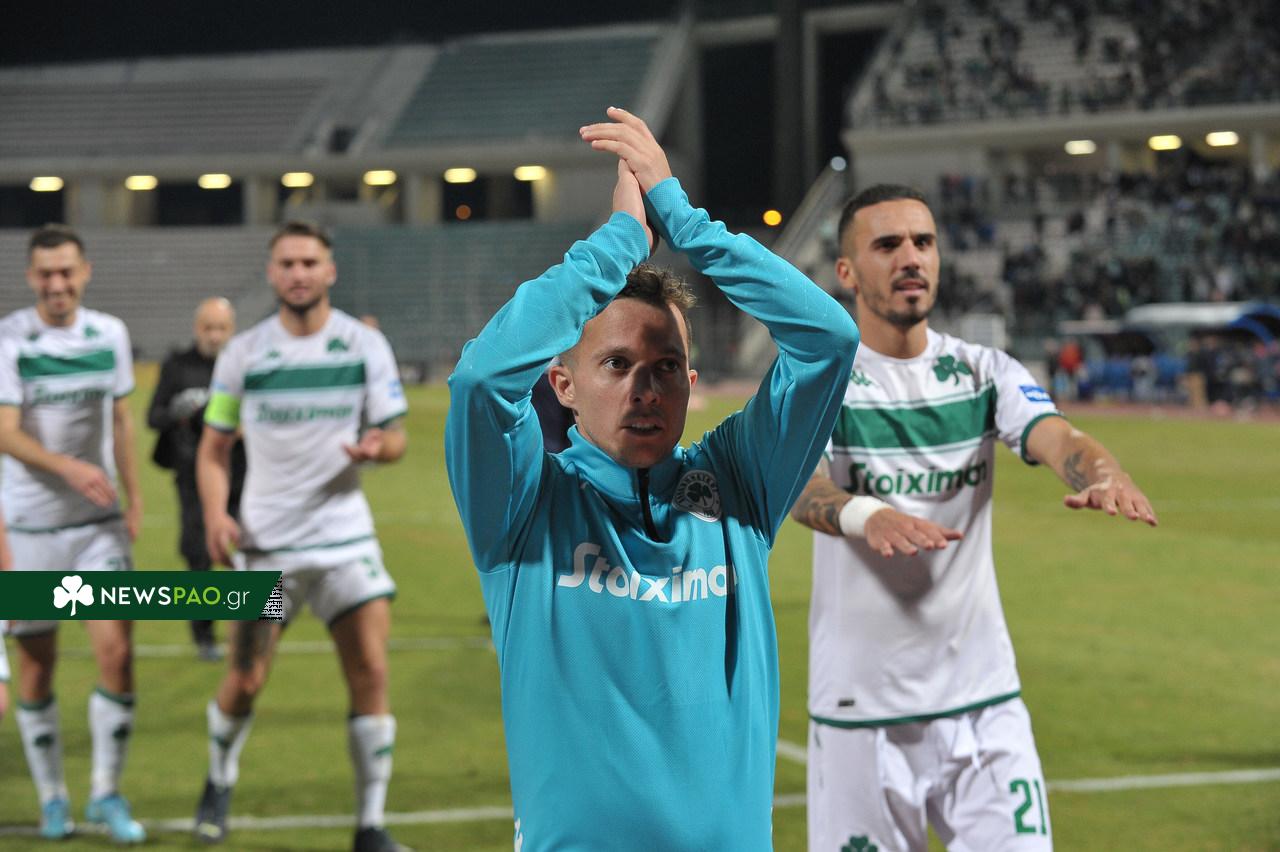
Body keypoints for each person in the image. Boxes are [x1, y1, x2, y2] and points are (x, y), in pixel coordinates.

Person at [445, 108, 858, 851]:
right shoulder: (525, 504)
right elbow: (481, 381)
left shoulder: (739, 483)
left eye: (666, 367)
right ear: (562, 384)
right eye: (616, 364)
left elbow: (829, 340)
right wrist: (620, 243)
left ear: (691, 384)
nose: (644, 389)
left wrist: (684, 220)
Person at [791, 184, 1158, 852]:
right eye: (887, 245)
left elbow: (1059, 438)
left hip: (984, 702)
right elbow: (797, 485)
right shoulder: (822, 383)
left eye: (923, 242)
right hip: (860, 712)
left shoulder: (983, 372)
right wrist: (865, 515)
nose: (911, 257)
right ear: (846, 272)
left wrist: (1102, 472)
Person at [191, 221, 409, 852]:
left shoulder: (364, 345)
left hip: (345, 541)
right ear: (272, 273)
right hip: (267, 548)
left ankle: (370, 825)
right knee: (246, 679)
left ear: (329, 270)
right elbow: (213, 449)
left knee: (371, 672)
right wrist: (216, 515)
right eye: (287, 263)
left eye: (309, 262)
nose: (298, 273)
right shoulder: (244, 353)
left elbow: (395, 436)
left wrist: (377, 448)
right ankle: (219, 779)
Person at [0, 224, 146, 843]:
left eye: (66, 272)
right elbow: (4, 432)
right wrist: (69, 468)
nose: (56, 284)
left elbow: (121, 419)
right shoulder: (10, 339)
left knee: (117, 654)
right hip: (31, 527)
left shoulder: (109, 334)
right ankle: (53, 798)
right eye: (45, 274)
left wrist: (133, 498)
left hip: (96, 527)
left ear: (85, 273)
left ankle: (106, 793)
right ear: (31, 277)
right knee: (37, 668)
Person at [146, 297, 245, 661]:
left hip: (244, 474)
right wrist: (177, 412)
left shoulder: (245, 363)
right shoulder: (177, 366)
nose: (214, 335)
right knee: (198, 556)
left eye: (222, 328)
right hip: (192, 477)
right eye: (208, 327)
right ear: (196, 329)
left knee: (258, 551)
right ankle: (204, 636)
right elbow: (153, 418)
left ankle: (263, 628)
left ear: (232, 330)